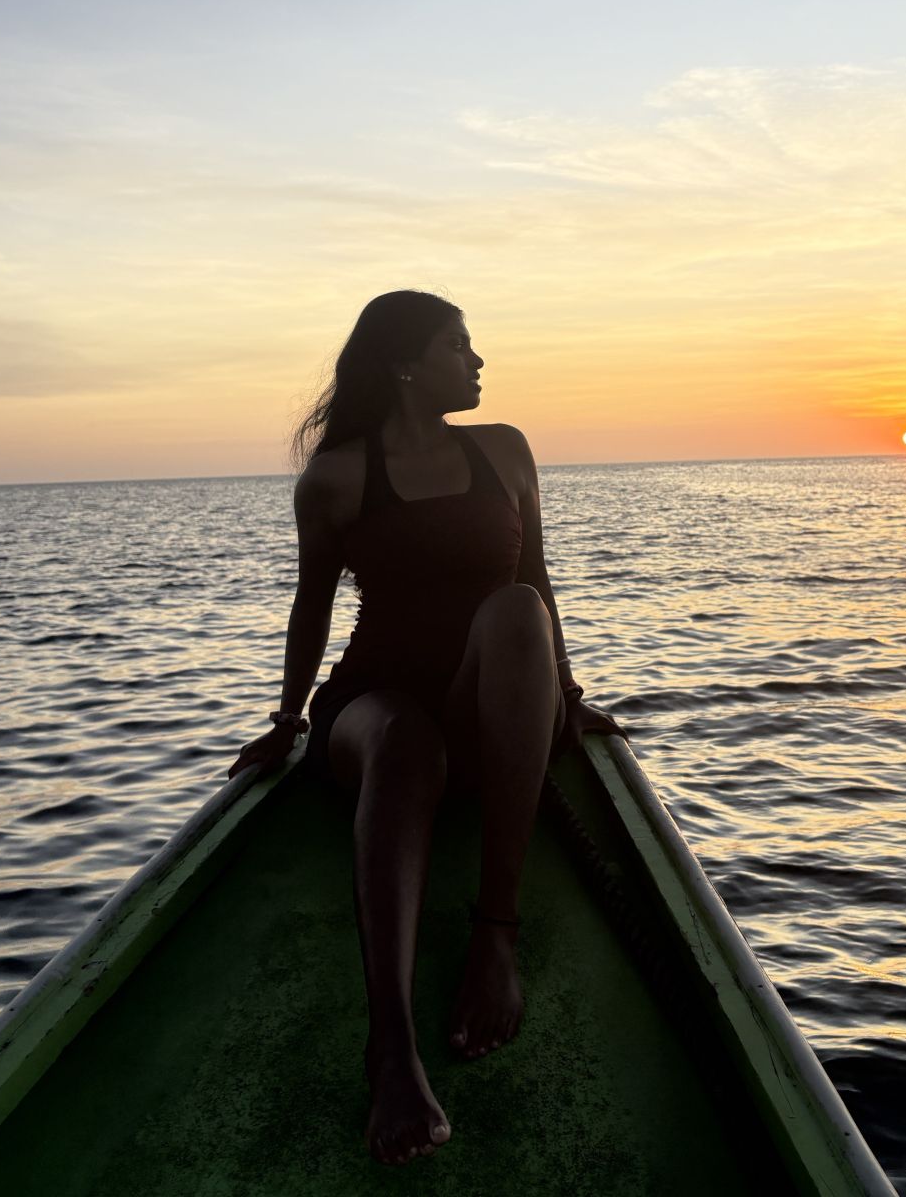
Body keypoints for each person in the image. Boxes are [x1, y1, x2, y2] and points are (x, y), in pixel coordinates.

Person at [227, 290, 628, 1167]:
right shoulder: (337, 477)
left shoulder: (506, 451)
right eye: (460, 344)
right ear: (406, 363)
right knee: (404, 742)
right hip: (375, 703)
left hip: (477, 701)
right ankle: (393, 1046)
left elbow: (541, 586)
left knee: (518, 608)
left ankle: (495, 933)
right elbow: (312, 606)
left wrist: (566, 689)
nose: (478, 361)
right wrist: (290, 717)